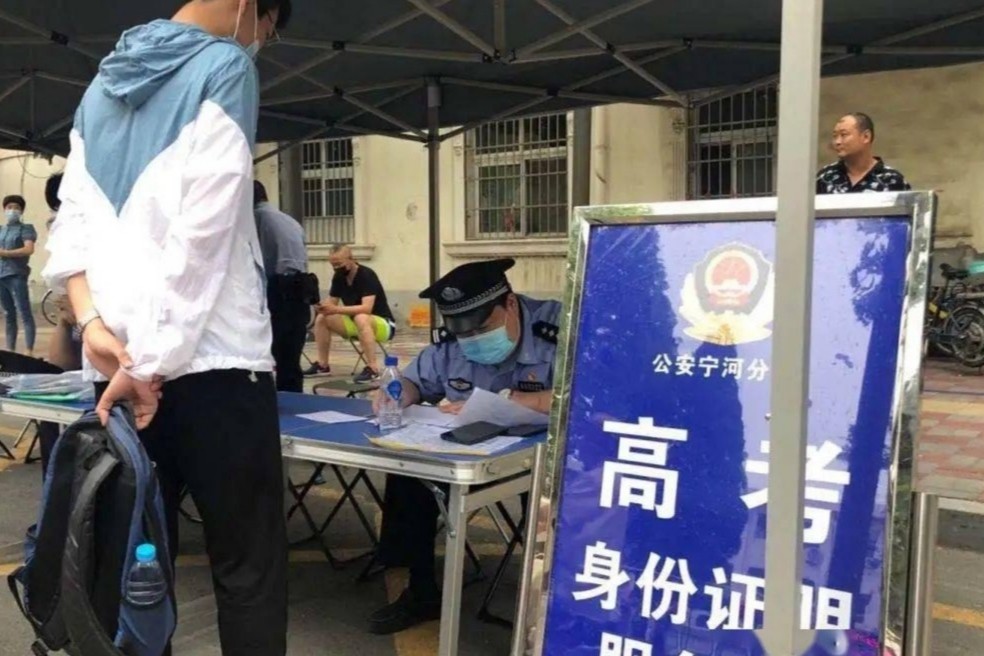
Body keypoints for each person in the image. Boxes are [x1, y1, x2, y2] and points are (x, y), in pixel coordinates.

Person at [42, 1, 292, 654]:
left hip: (116, 370)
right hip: (216, 366)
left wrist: (93, 323)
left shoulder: (103, 84)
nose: (261, 43)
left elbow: (70, 226)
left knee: (134, 565)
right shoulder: (226, 67)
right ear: (252, 9)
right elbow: (202, 236)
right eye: (268, 29)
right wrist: (150, 362)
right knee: (248, 568)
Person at [368, 258, 560, 634]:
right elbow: (415, 382)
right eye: (462, 332)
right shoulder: (452, 345)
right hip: (475, 450)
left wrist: (525, 400)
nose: (471, 339)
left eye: (481, 328)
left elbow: (598, 391)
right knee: (410, 473)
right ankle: (420, 591)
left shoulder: (559, 326)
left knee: (549, 491)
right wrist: (397, 393)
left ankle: (554, 598)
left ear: (510, 304)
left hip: (547, 456)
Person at [37, 172, 83, 479]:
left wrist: (87, 320)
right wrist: (65, 323)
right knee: (49, 416)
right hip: (84, 384)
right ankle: (58, 498)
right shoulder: (70, 288)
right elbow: (62, 365)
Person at [304, 245, 395, 383]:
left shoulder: (366, 275)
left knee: (361, 317)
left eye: (339, 264)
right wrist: (322, 307)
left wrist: (335, 310)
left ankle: (372, 368)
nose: (336, 268)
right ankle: (323, 365)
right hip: (355, 322)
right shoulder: (339, 277)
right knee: (323, 318)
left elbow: (367, 308)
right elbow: (332, 303)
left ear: (351, 259)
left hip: (383, 324)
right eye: (333, 265)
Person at [254, 180, 310, 392]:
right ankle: (293, 399)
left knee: (264, 356)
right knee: (290, 359)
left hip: (277, 290)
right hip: (300, 290)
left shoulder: (257, 219)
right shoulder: (289, 220)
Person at [816, 113, 911, 194]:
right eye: (835, 136)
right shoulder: (825, 177)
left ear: (866, 137)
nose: (837, 142)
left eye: (844, 135)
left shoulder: (892, 179)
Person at [0, 194, 38, 356]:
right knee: (8, 314)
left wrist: (5, 253)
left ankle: (29, 351)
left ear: (21, 211)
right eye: (9, 207)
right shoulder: (1, 230)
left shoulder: (26, 228)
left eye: (16, 208)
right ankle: (11, 351)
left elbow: (28, 249)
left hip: (16, 275)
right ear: (4, 209)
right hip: (1, 276)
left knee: (24, 313)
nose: (13, 210)